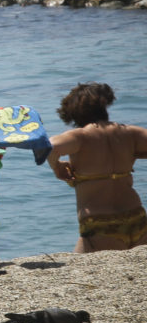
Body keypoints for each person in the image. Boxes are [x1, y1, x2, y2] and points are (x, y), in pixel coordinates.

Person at [47, 82, 147, 253]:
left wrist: (57, 167)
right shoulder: (130, 132)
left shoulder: (81, 136)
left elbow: (50, 147)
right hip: (137, 218)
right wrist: (135, 154)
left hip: (100, 224)